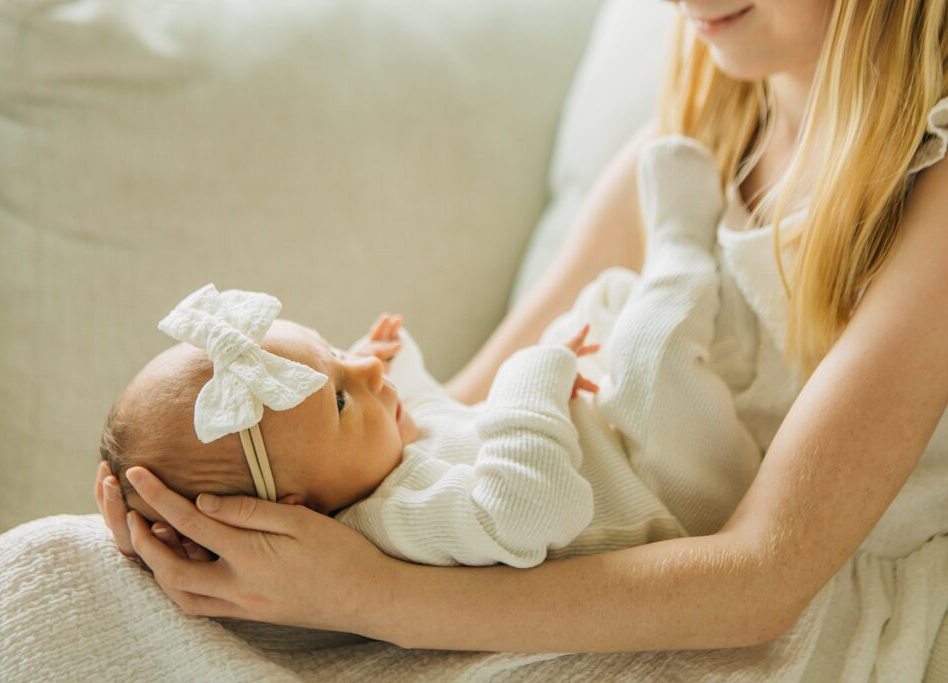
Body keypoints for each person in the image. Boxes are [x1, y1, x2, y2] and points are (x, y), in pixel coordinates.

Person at [96, 0, 948, 677]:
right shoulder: (690, 137)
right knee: (91, 578)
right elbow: (458, 411)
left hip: (778, 607)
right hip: (597, 561)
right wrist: (209, 520)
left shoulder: (931, 196)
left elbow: (765, 578)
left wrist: (368, 594)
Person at [103, 136, 760, 568]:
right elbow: (534, 507)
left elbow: (433, 420)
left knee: (606, 306)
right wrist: (531, 373)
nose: (365, 369)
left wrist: (386, 371)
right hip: (682, 498)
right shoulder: (399, 520)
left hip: (633, 449)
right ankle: (681, 242)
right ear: (298, 508)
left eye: (336, 352)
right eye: (338, 397)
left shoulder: (373, 464)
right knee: (653, 349)